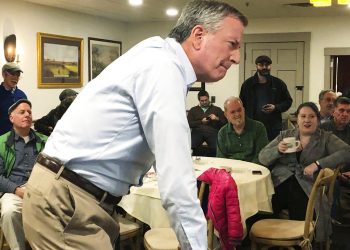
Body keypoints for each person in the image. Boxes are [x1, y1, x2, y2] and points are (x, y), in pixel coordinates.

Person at [22, 1, 248, 249]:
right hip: (67, 203)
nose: (236, 57)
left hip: (77, 199)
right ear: (198, 35)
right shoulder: (164, 68)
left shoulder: (157, 55)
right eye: (232, 45)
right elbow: (177, 183)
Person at [259, 102, 350, 222]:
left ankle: (299, 238)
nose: (307, 120)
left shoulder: (325, 138)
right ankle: (264, 237)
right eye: (303, 116)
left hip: (307, 184)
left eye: (311, 116)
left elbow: (347, 151)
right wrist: (278, 150)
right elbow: (262, 157)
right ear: (297, 119)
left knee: (299, 208)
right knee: (261, 207)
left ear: (318, 120)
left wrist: (318, 164)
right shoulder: (286, 135)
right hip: (280, 182)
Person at [0, 99, 47, 250]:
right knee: (9, 212)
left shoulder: (45, 141)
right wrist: (17, 190)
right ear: (11, 118)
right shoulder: (1, 143)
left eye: (29, 112)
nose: (27, 114)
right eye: (22, 112)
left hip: (42, 189)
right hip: (14, 190)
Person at [320, 96, 350, 249]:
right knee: (334, 183)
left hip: (348, 173)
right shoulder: (323, 129)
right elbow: (320, 156)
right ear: (333, 111)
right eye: (341, 110)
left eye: (348, 111)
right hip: (330, 173)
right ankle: (333, 227)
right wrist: (334, 172)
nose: (345, 114)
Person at [239, 55, 293, 141]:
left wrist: (276, 107)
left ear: (270, 66)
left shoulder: (278, 83)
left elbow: (288, 101)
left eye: (267, 65)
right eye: (261, 65)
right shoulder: (247, 84)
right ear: (256, 66)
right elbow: (241, 105)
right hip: (252, 127)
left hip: (273, 127)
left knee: (272, 152)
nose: (264, 67)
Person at [216, 96, 268, 164]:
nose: (237, 114)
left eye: (239, 110)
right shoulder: (222, 133)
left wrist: (247, 169)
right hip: (231, 170)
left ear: (244, 110)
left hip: (253, 170)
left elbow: (261, 157)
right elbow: (221, 159)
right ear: (226, 115)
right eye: (232, 112)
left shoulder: (259, 128)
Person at [187, 90, 226, 156]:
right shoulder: (193, 110)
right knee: (191, 146)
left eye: (206, 100)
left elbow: (225, 124)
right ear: (199, 100)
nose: (204, 102)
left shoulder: (217, 109)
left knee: (217, 148)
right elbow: (189, 124)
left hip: (212, 132)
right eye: (202, 101)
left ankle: (213, 162)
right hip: (197, 132)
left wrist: (217, 119)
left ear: (208, 98)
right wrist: (201, 122)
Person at [0, 63, 26, 136]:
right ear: (4, 74)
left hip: (19, 139)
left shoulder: (22, 95)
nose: (15, 78)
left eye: (18, 75)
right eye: (13, 74)